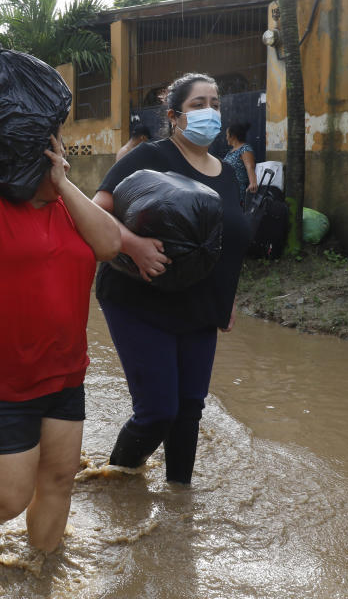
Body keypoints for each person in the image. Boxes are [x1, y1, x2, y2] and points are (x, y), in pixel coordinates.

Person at [0, 89, 120, 551]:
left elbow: (111, 244)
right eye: (41, 145)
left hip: (62, 376)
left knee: (58, 482)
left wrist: (63, 184)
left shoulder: (66, 207)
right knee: (7, 499)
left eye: (52, 144)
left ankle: (44, 573)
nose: (50, 150)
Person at [91, 73, 252, 486]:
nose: (209, 111)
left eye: (215, 102)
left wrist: (228, 294)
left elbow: (224, 241)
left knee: (189, 408)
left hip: (200, 304)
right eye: (198, 104)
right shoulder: (150, 157)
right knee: (157, 411)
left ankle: (180, 498)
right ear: (174, 116)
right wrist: (133, 244)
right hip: (138, 299)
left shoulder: (228, 174)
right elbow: (96, 212)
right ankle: (116, 485)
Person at [223, 121, 257, 206]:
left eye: (227, 135)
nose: (226, 138)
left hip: (237, 191)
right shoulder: (231, 151)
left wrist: (253, 182)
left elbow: (250, 166)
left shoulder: (245, 149)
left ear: (233, 135)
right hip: (228, 189)